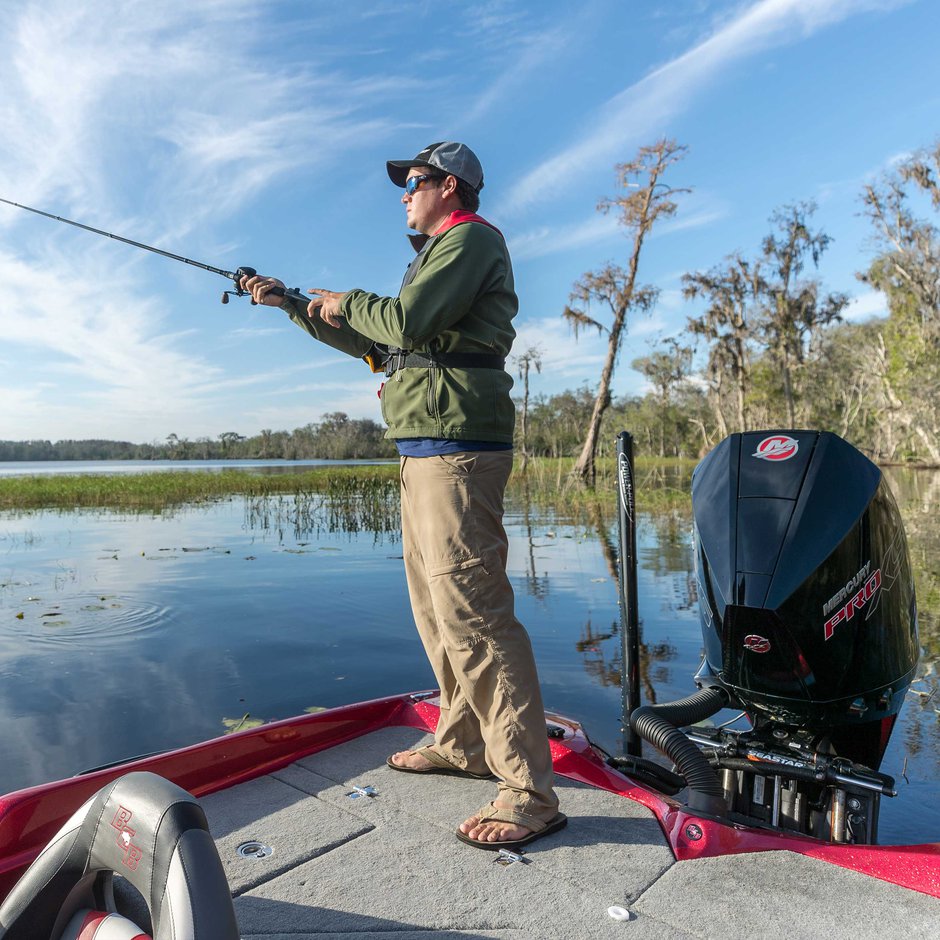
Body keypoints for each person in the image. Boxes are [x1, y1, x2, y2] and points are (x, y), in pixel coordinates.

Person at [241, 142, 565, 850]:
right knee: (436, 609)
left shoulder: (469, 241)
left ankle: (529, 791)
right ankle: (463, 742)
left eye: (412, 183)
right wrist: (292, 303)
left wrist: (346, 298)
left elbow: (406, 322)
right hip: (424, 451)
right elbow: (386, 344)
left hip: (458, 451)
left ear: (450, 186)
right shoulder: (435, 256)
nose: (403, 195)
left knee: (475, 614)